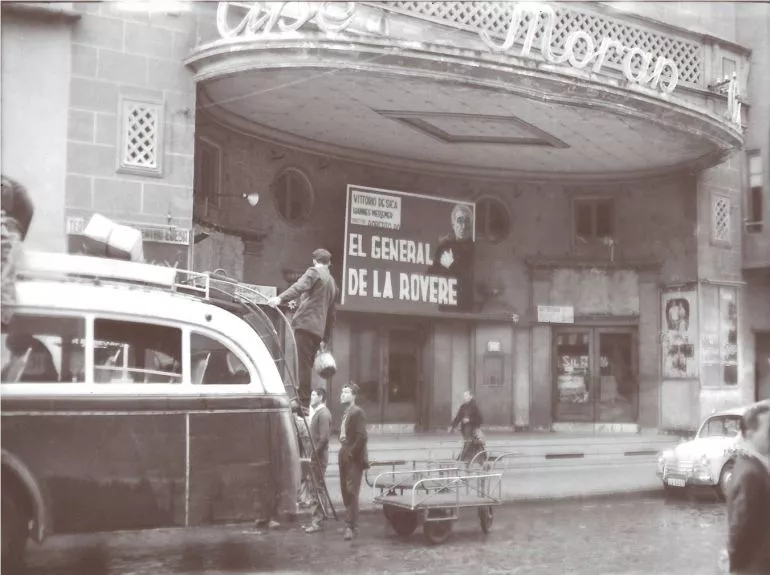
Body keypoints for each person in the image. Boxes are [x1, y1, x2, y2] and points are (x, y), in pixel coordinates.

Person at [268, 248, 337, 407]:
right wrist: (325, 338)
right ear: (329, 263)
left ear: (314, 261)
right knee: (307, 364)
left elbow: (299, 287)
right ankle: (305, 399)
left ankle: (303, 400)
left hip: (305, 324)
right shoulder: (332, 283)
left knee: (303, 364)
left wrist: (279, 298)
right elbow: (332, 315)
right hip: (318, 331)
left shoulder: (314, 272)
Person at [725, 400, 770, 574]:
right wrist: (732, 561)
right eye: (768, 430)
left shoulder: (748, 464)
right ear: (750, 434)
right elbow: (740, 526)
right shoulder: (751, 473)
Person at [427, 203, 474, 312]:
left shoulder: (474, 249)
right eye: (460, 220)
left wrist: (452, 266)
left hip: (465, 309)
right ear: (453, 224)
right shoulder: (444, 247)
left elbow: (470, 279)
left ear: (471, 225)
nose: (463, 226)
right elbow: (430, 274)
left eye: (467, 221)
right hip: (445, 307)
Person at [338, 382, 368, 541]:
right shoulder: (346, 412)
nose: (342, 395)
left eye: (346, 392)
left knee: (351, 490)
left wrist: (351, 453)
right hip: (344, 452)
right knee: (345, 490)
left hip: (353, 457)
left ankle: (350, 526)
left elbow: (362, 436)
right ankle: (352, 524)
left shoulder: (358, 412)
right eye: (342, 392)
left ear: (354, 395)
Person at [304, 387, 332, 533]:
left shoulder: (323, 414)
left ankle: (318, 522)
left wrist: (314, 453)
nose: (311, 397)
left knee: (317, 489)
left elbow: (324, 438)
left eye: (314, 395)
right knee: (316, 487)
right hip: (316, 456)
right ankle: (320, 519)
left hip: (319, 457)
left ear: (321, 397)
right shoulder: (318, 413)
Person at [448, 390, 486, 465]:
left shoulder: (474, 406)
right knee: (473, 446)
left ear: (471, 396)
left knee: (468, 443)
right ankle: (479, 462)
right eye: (464, 396)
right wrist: (452, 426)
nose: (464, 397)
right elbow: (458, 417)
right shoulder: (463, 406)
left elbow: (480, 419)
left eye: (466, 396)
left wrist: (469, 420)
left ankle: (463, 460)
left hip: (472, 430)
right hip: (465, 430)